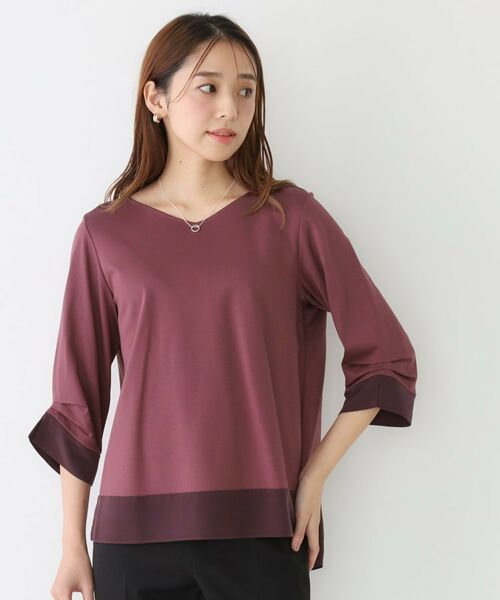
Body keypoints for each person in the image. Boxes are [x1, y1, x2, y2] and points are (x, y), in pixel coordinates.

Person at [27, 12, 418, 600]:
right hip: (132, 539)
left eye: (246, 91)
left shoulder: (292, 221)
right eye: (207, 87)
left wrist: (313, 478)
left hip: (262, 532)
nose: (231, 109)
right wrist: (71, 543)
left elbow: (386, 357)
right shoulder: (105, 235)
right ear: (155, 98)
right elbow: (78, 401)